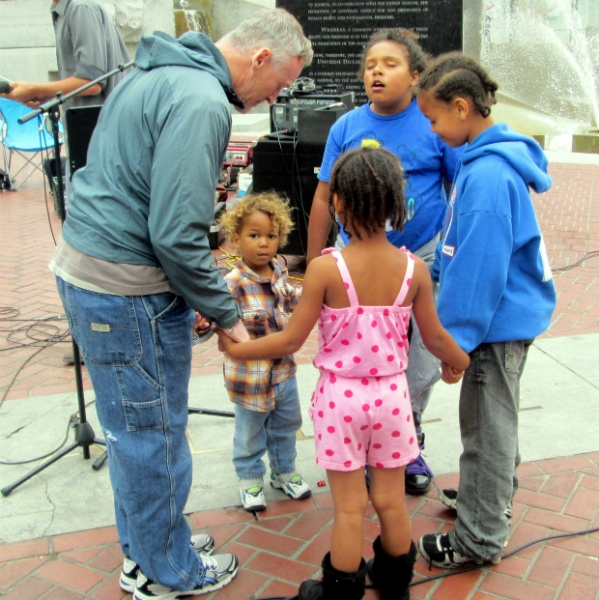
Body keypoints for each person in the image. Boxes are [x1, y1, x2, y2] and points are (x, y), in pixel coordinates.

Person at [49, 9, 312, 600]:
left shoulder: (156, 72)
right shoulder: (203, 100)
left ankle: (148, 548)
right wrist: (226, 315)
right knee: (153, 437)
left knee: (131, 433)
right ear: (261, 57)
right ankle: (165, 571)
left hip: (97, 274)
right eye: (279, 84)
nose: (276, 97)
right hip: (123, 291)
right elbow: (174, 233)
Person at [218, 147, 470, 600]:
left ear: (337, 204)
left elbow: (291, 340)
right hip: (393, 400)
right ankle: (395, 587)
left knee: (350, 509)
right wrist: (460, 360)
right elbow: (433, 339)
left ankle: (339, 593)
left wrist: (241, 352)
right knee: (391, 501)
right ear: (397, 205)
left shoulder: (324, 269)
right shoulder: (414, 269)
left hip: (341, 403)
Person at [305, 29, 463, 495]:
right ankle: (359, 440)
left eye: (390, 64)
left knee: (416, 363)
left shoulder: (434, 126)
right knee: (360, 354)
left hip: (421, 258)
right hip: (356, 265)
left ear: (416, 76)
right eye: (371, 63)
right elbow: (321, 197)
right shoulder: (347, 126)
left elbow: (457, 194)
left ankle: (405, 441)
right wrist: (316, 261)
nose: (376, 71)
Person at [415, 53, 557, 569]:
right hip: (502, 323)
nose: (430, 131)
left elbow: (478, 274)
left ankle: (478, 538)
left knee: (486, 431)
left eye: (432, 119)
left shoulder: (489, 178)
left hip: (492, 330)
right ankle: (485, 498)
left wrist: (455, 344)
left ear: (460, 107)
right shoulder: (483, 162)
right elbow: (460, 252)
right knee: (495, 423)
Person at [217, 193, 311, 512]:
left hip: (284, 374)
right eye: (254, 235)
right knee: (249, 432)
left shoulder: (281, 275)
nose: (263, 244)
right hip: (250, 379)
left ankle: (284, 472)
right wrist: (203, 323)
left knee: (287, 425)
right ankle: (250, 477)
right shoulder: (232, 284)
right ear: (235, 238)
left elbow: (295, 306)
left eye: (271, 236)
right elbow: (211, 322)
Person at [2, 0, 130, 109]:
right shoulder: (65, 10)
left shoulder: (80, 8)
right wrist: (47, 93)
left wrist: (35, 89)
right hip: (88, 125)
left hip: (101, 127)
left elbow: (92, 83)